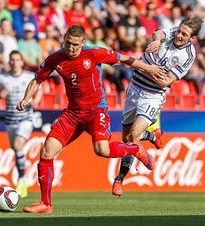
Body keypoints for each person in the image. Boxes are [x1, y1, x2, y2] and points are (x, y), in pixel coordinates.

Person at [16, 24, 166, 213]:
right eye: (68, 43)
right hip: (72, 114)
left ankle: (135, 148)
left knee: (101, 150)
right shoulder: (55, 58)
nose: (71, 48)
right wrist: (25, 98)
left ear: (83, 43)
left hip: (96, 111)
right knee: (46, 152)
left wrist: (149, 69)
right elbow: (37, 79)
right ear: (64, 39)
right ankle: (46, 204)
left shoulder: (94, 53)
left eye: (76, 45)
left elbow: (126, 59)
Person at [112, 16, 204, 197]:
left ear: (191, 38)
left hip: (152, 96)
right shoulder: (173, 32)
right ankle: (152, 135)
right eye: (179, 31)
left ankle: (119, 179)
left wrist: (144, 67)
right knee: (126, 138)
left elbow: (166, 81)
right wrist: (156, 40)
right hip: (134, 87)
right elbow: (159, 32)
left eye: (184, 34)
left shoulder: (187, 56)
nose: (179, 35)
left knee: (133, 136)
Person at [0, 50, 42, 198]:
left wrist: (36, 100)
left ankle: (21, 181)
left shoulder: (28, 76)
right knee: (16, 150)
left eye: (17, 60)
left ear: (22, 62)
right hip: (10, 119)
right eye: (12, 60)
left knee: (18, 146)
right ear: (10, 62)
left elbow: (38, 89)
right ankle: (24, 179)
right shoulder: (3, 78)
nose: (15, 62)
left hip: (25, 118)